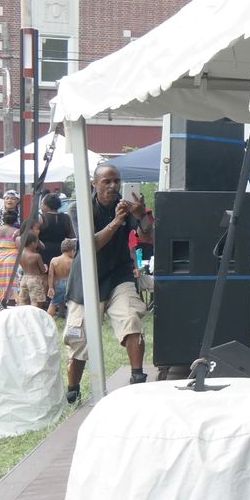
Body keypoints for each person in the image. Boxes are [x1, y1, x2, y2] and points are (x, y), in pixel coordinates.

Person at [62, 163, 155, 403]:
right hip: (87, 279)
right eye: (107, 181)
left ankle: (137, 378)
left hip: (118, 276)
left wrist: (141, 215)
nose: (113, 186)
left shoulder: (126, 206)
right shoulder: (79, 208)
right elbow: (90, 245)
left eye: (117, 181)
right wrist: (116, 222)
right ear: (95, 184)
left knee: (131, 318)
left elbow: (148, 236)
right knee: (78, 338)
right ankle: (73, 390)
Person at [34, 193, 76, 268]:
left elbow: (34, 237)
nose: (41, 206)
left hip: (44, 252)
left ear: (46, 205)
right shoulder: (66, 218)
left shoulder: (41, 218)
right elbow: (71, 236)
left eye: (42, 203)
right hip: (61, 253)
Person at [16, 235, 48, 308]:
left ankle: (23, 315)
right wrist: (45, 266)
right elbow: (43, 270)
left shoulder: (19, 255)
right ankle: (34, 315)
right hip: (35, 279)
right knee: (36, 302)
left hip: (24, 278)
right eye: (36, 243)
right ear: (32, 243)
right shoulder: (36, 256)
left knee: (23, 301)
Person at [49, 238, 77, 318]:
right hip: (70, 284)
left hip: (58, 284)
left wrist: (50, 287)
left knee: (53, 304)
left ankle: (47, 319)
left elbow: (51, 275)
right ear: (72, 250)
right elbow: (75, 275)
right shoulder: (72, 261)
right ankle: (70, 319)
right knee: (71, 304)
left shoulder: (54, 260)